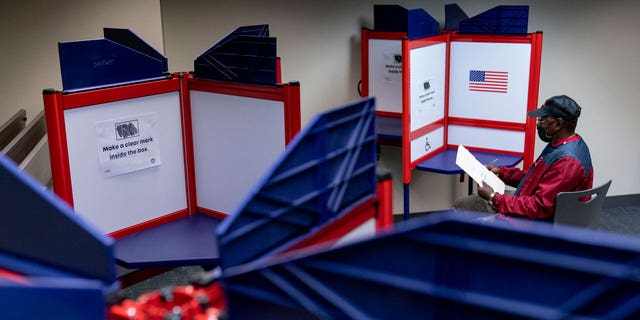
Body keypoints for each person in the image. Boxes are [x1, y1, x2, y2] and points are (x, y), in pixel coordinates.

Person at [454, 95, 593, 221]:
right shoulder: (567, 143)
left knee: (466, 217)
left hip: (538, 222)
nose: (539, 123)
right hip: (537, 207)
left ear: (558, 123)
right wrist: (503, 173)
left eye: (544, 119)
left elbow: (538, 208)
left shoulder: (568, 162)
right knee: (463, 204)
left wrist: (493, 197)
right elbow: (537, 177)